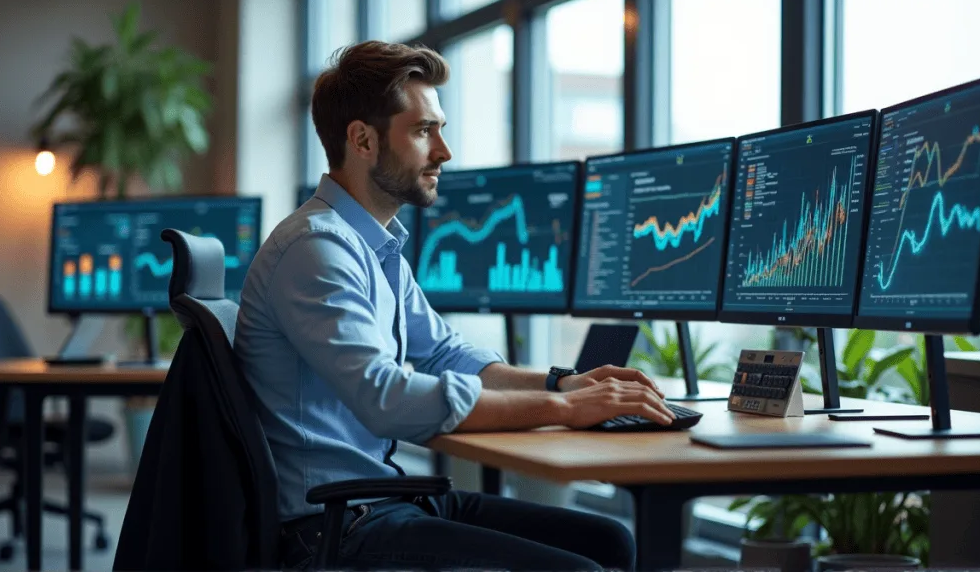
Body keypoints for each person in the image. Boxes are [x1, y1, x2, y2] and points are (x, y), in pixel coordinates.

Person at [234, 40, 676, 571]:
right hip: (333, 526)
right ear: (362, 140)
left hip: (382, 500)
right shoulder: (315, 250)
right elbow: (388, 398)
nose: (443, 151)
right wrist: (562, 410)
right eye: (424, 131)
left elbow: (445, 353)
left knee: (608, 541)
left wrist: (561, 383)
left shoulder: (374, 245)